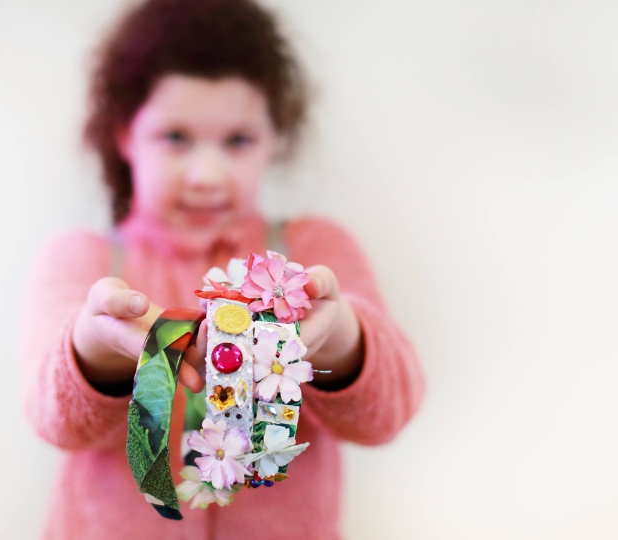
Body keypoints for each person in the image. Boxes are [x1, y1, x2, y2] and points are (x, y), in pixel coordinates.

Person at [22, 0, 425, 538]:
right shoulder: (86, 260)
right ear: (125, 136)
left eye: (238, 140)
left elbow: (388, 415)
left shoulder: (313, 251)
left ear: (274, 139)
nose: (206, 174)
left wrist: (342, 339)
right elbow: (54, 420)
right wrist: (91, 350)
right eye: (175, 138)